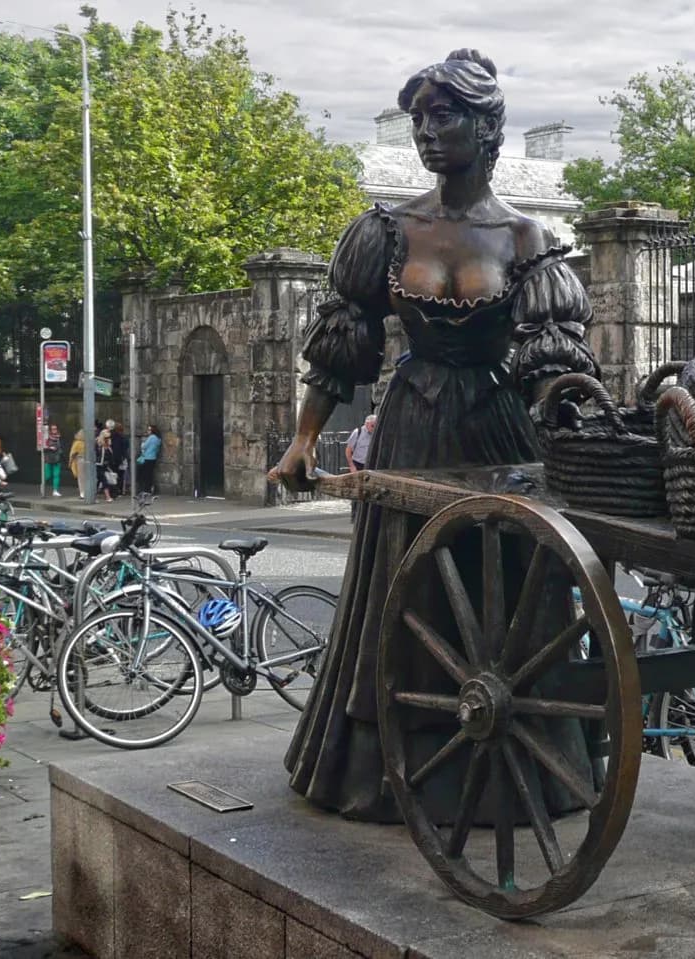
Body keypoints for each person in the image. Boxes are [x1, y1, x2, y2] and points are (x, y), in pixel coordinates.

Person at [268, 49, 599, 823]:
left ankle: (523, 759)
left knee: (510, 596)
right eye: (418, 117)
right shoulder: (386, 230)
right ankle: (394, 768)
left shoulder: (526, 238)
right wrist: (301, 439)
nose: (425, 131)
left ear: (487, 128)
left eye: (442, 115)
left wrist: (571, 425)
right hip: (413, 428)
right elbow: (343, 344)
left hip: (498, 432)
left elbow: (551, 359)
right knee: (405, 588)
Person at [344, 414, 377, 519]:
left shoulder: (376, 434)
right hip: (358, 463)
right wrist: (351, 466)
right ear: (367, 424)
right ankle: (355, 514)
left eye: (375, 426)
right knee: (357, 490)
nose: (374, 428)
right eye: (372, 426)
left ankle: (367, 515)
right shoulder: (357, 432)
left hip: (371, 464)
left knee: (370, 490)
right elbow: (348, 450)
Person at [136, 425, 161, 494]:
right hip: (153, 458)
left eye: (149, 430)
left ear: (152, 431)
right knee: (150, 474)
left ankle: (145, 489)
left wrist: (143, 443)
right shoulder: (158, 439)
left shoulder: (151, 437)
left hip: (147, 458)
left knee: (145, 475)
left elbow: (144, 446)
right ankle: (149, 489)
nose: (148, 431)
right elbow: (157, 449)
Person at [95, 424, 115, 503]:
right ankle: (107, 496)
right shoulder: (98, 445)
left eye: (108, 437)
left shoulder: (108, 446)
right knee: (104, 481)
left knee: (99, 482)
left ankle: (93, 496)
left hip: (105, 465)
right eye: (106, 438)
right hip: (98, 465)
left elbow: (110, 456)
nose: (108, 439)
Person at [42, 424, 63, 497]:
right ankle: (42, 486)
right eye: (53, 429)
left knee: (56, 475)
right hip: (49, 458)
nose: (54, 430)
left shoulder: (59, 437)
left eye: (55, 429)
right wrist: (50, 448)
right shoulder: (47, 438)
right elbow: (43, 447)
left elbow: (61, 447)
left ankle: (55, 490)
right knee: (47, 475)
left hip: (57, 459)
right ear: (50, 430)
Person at [110, 421, 130, 498]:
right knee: (121, 475)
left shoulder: (112, 437)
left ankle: (114, 491)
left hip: (114, 458)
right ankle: (120, 490)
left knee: (113, 475)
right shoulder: (124, 438)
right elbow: (126, 447)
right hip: (121, 458)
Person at [68, 429, 86, 499]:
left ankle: (82, 493)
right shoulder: (87, 442)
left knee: (81, 478)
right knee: (87, 477)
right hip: (88, 460)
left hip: (80, 460)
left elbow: (73, 453)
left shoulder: (77, 443)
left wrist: (70, 462)